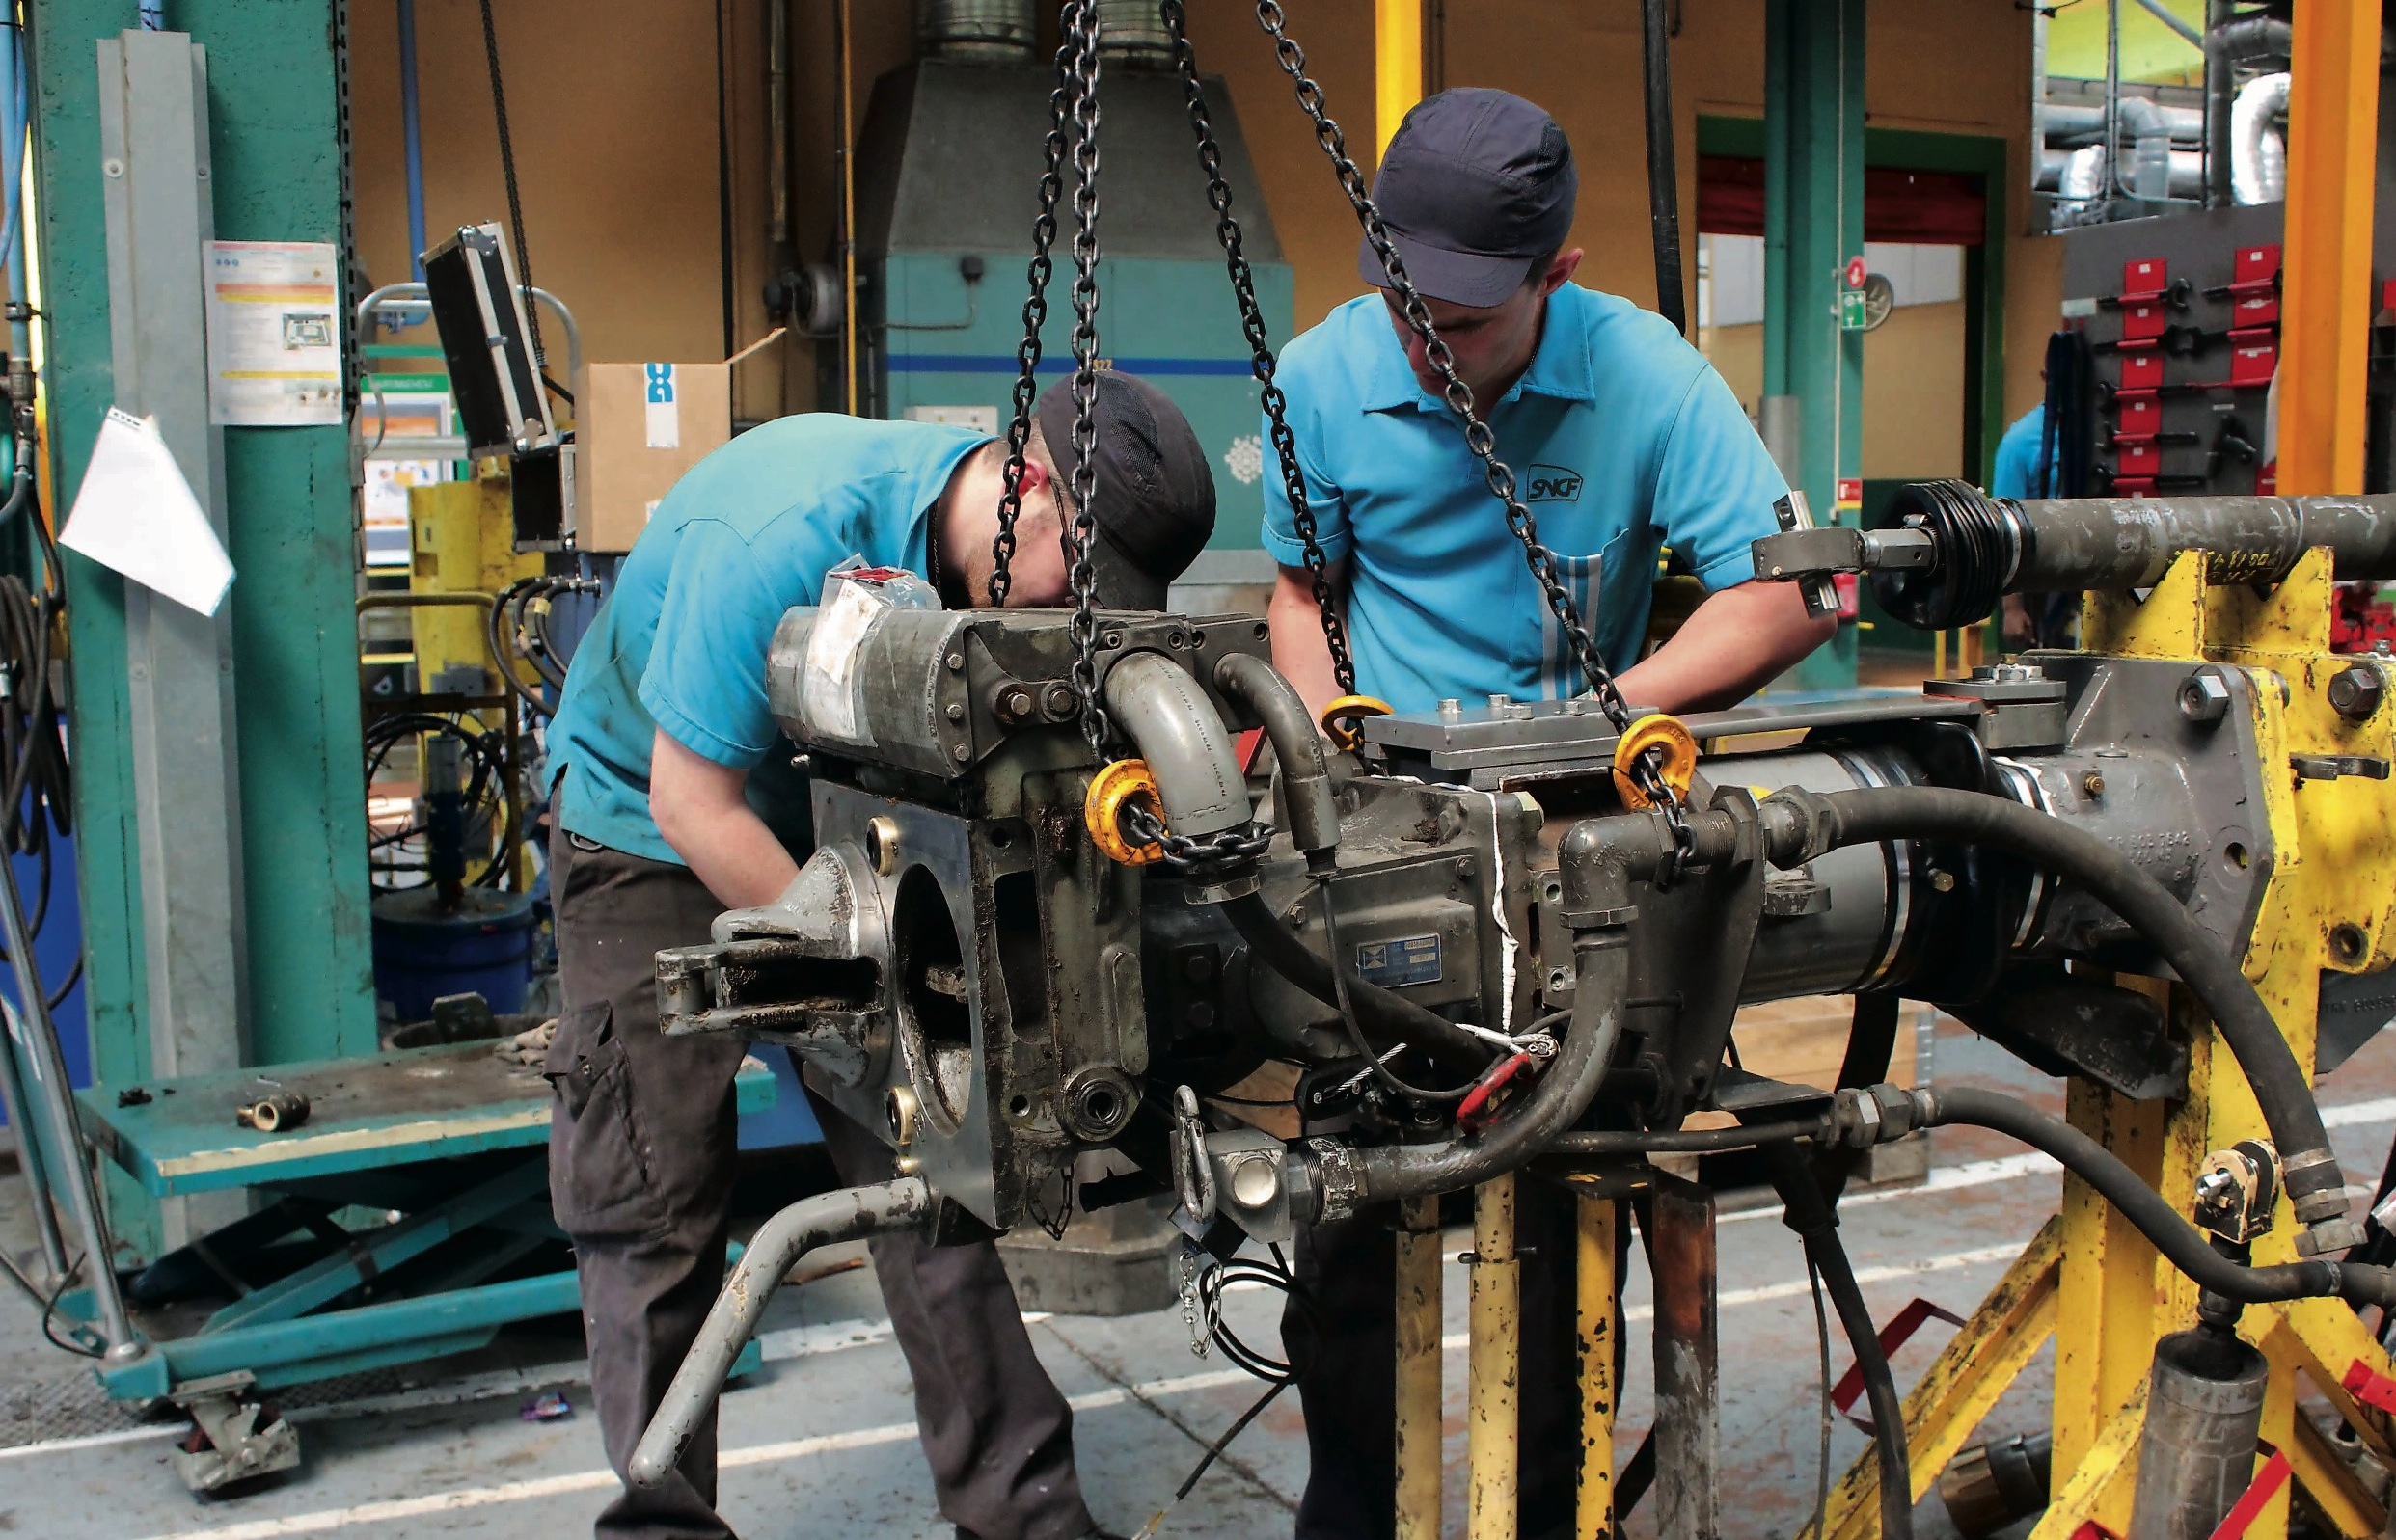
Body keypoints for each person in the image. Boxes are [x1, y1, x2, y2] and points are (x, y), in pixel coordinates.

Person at [1259, 88, 1834, 1540]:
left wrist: (1605, 715)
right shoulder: (1326, 376)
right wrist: (1332, 743)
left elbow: (1792, 587)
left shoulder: (1640, 376)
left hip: (1586, 854)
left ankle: (1552, 1505)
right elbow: (1297, 587)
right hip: (1390, 853)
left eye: (1460, 326)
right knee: (1351, 1246)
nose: (1418, 346)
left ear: (1554, 281)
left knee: (1573, 1228)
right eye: (1401, 304)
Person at [543, 372, 1215, 1540]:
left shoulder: (983, 572)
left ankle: (1021, 1514)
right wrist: (878, 976)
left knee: (938, 1170)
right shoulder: (776, 533)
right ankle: (661, 1529)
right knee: (654, 1202)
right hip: (650, 830)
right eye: (1081, 584)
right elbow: (694, 805)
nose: (1074, 619)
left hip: (837, 816)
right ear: (1031, 489)